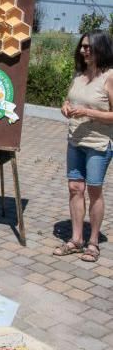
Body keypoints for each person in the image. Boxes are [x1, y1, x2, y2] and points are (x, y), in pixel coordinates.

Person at [53, 30, 113, 262]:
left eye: (88, 47)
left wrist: (88, 112)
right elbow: (70, 100)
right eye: (82, 46)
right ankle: (76, 239)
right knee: (75, 188)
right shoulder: (79, 74)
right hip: (75, 141)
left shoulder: (109, 76)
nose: (83, 50)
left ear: (101, 47)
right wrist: (65, 106)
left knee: (94, 190)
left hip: (98, 144)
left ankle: (93, 242)